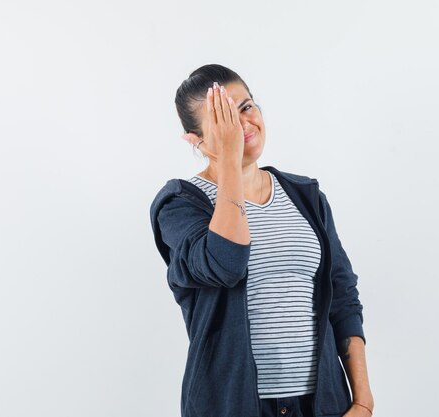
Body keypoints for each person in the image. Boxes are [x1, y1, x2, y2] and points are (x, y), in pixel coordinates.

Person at [149, 64, 374, 417]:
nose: (242, 125)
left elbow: (342, 296)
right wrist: (229, 165)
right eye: (223, 120)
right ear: (196, 140)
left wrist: (362, 400)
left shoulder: (307, 196)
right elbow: (227, 262)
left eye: (246, 107)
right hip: (232, 405)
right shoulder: (180, 205)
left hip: (323, 404)